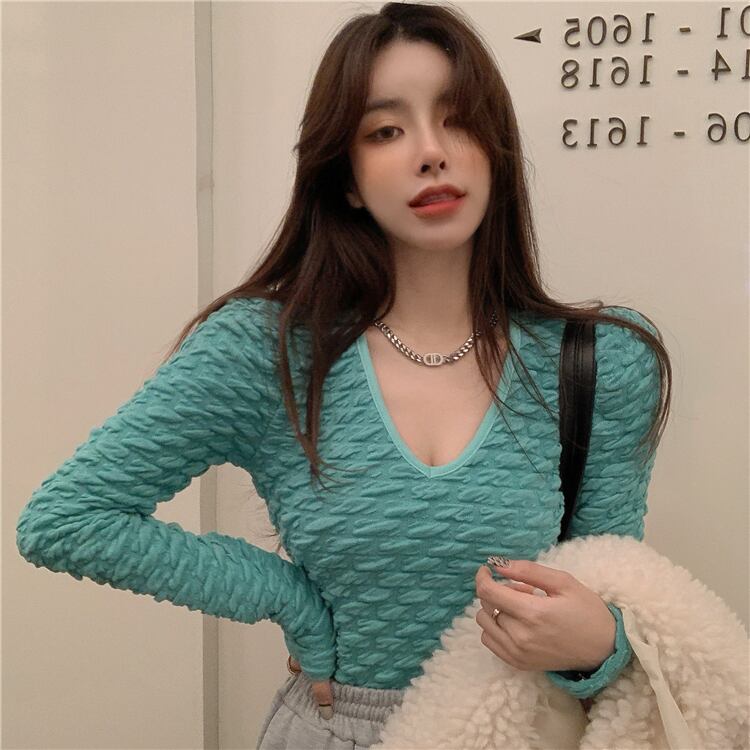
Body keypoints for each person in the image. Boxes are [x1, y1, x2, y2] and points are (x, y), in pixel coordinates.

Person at [16, 2, 672, 749]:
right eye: (386, 130)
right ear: (348, 179)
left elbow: (612, 584)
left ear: (496, 151)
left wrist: (601, 644)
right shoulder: (265, 350)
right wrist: (288, 597)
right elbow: (67, 519)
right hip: (338, 730)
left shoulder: (600, 360)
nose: (432, 152)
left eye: (458, 120)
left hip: (519, 729)